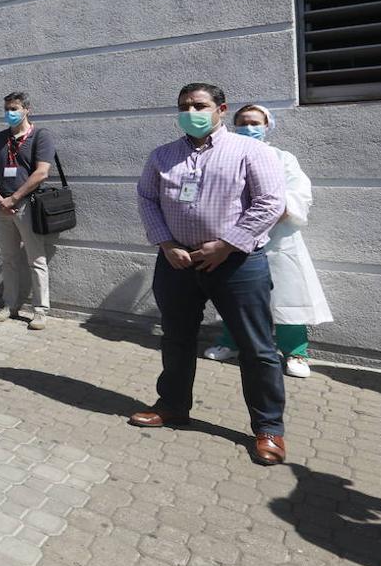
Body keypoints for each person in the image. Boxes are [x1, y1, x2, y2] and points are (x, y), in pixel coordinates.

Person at [133, 83, 288, 466]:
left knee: (257, 348)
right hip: (177, 263)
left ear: (221, 108)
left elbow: (271, 202)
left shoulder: (251, 151)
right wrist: (166, 243)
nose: (191, 112)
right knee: (176, 338)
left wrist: (227, 244)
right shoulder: (163, 155)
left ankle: (268, 429)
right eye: (184, 106)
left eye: (199, 105)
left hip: (237, 264)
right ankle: (172, 406)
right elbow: (146, 198)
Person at [204, 105, 332, 378]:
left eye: (254, 122)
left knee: (288, 295)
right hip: (234, 239)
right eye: (243, 122)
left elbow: (299, 194)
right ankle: (231, 341)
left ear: (267, 126)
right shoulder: (224, 155)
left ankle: (295, 352)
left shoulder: (282, 158)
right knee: (236, 294)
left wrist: (269, 211)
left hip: (278, 239)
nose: (248, 127)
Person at [0, 91, 58, 331]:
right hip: (2, 207)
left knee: (36, 258)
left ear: (27, 109)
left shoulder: (41, 136)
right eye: (7, 109)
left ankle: (40, 310)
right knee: (8, 258)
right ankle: (9, 305)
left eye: (14, 108)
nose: (10, 113)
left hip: (27, 205)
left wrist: (15, 197)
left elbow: (42, 173)